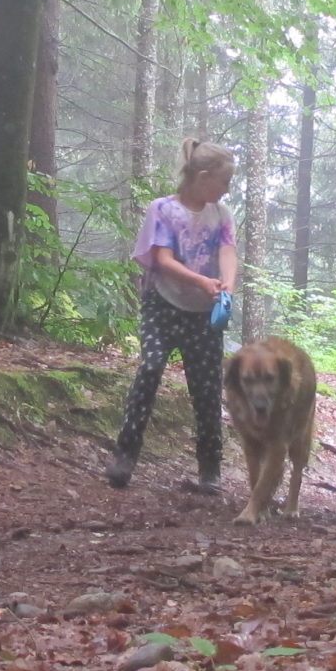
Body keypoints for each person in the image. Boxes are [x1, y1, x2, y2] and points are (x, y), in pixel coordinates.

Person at [106, 140, 240, 493]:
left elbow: (228, 250)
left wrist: (227, 283)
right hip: (162, 304)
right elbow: (162, 260)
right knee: (150, 368)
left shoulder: (222, 215)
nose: (227, 189)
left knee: (207, 387)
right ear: (204, 177)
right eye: (224, 182)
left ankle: (210, 469)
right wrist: (201, 281)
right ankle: (124, 456)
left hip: (203, 313)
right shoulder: (162, 210)